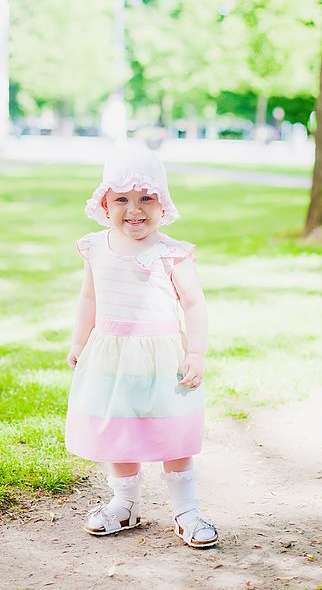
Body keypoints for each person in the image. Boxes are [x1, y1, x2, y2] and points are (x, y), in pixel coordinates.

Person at [64, 145, 217, 548]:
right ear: (104, 203)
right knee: (119, 431)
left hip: (162, 357)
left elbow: (194, 303)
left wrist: (196, 352)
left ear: (162, 204)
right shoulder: (95, 248)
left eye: (146, 198)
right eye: (122, 199)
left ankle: (186, 509)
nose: (135, 209)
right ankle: (125, 502)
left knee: (173, 433)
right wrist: (80, 340)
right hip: (110, 357)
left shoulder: (171, 252)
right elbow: (89, 299)